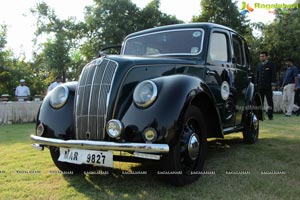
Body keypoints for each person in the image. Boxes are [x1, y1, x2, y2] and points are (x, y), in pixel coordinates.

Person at [256, 51, 276, 120]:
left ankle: (270, 115)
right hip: (260, 86)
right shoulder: (258, 65)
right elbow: (257, 76)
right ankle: (260, 116)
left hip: (268, 86)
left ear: (266, 57)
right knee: (260, 102)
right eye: (260, 56)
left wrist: (273, 84)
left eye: (263, 56)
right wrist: (256, 85)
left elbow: (273, 75)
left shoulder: (271, 64)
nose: (261, 57)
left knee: (269, 101)